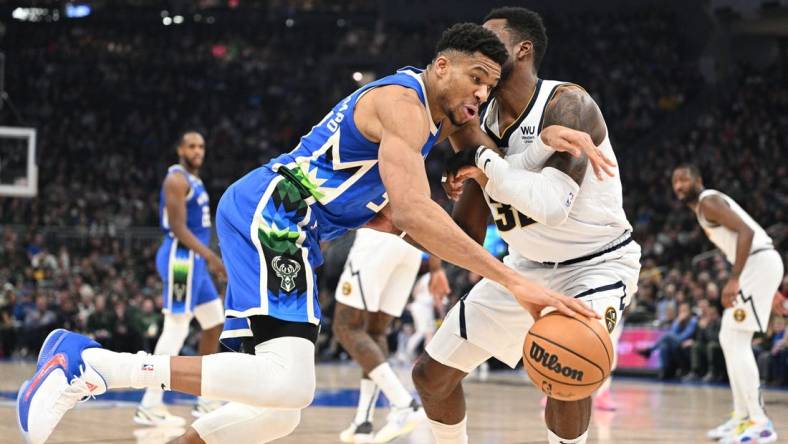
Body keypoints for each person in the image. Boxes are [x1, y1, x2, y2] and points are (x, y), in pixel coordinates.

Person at [17, 23, 602, 444]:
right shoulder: (403, 103)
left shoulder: (425, 122)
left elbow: (416, 206)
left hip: (283, 225)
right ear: (441, 66)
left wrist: (539, 148)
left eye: (489, 87)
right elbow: (415, 214)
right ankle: (91, 363)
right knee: (288, 382)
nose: (481, 94)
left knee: (276, 414)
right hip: (273, 220)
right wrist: (512, 281)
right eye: (476, 77)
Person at [411, 8, 641, 444]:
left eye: (491, 36)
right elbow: (470, 233)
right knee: (430, 376)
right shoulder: (478, 119)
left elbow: (552, 207)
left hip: (595, 263)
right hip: (523, 267)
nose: (482, 43)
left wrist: (479, 161)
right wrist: (461, 172)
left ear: (523, 48)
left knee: (569, 364)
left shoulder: (567, 103)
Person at [672, 164, 782, 444]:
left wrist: (734, 280)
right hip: (758, 266)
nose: (679, 185)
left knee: (736, 339)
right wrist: (771, 291)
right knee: (729, 338)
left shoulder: (709, 201)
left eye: (684, 179)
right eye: (675, 182)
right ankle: (743, 416)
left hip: (757, 263)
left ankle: (759, 422)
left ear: (698, 180)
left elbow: (746, 233)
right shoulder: (702, 208)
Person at [135, 131, 226, 426]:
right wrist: (212, 257)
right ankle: (150, 404)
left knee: (214, 322)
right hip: (181, 261)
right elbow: (177, 228)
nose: (198, 150)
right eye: (192, 146)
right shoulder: (176, 179)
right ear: (180, 150)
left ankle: (207, 399)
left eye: (201, 146)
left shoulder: (195, 180)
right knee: (175, 328)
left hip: (194, 260)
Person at [333, 230, 449, 443]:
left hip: (378, 235)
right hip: (413, 244)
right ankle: (363, 423)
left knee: (345, 326)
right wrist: (435, 266)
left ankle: (404, 404)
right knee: (375, 333)